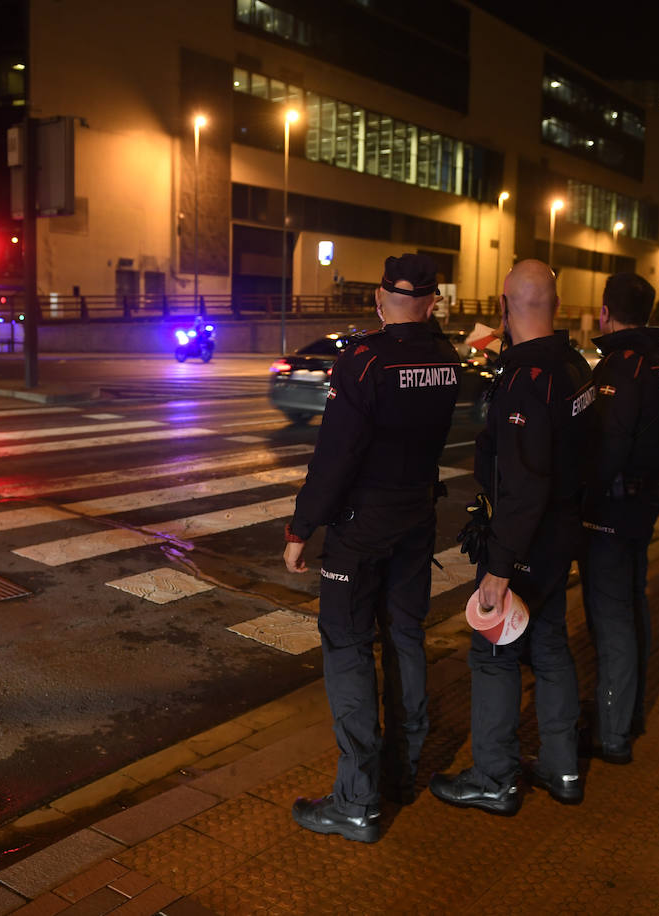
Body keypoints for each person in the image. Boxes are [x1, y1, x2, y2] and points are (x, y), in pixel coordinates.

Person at [283, 252, 460, 843]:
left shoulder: (363, 361)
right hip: (416, 517)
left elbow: (336, 456)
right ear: (432, 302)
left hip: (362, 527)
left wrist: (303, 527)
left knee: (349, 646)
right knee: (406, 636)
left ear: (381, 299)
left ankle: (356, 801)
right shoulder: (446, 357)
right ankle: (402, 773)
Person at [430, 259, 595, 815]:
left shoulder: (527, 379)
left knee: (493, 652)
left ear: (504, 308)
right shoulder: (574, 365)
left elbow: (524, 484)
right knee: (549, 646)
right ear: (554, 303)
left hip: (525, 540)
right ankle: (563, 766)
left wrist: (499, 569)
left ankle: (494, 778)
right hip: (562, 534)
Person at [580, 272, 659, 764]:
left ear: (605, 313)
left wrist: (586, 496)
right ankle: (630, 713)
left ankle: (612, 731)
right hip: (644, 502)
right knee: (632, 604)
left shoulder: (619, 368)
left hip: (612, 508)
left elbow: (606, 448)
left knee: (611, 618)